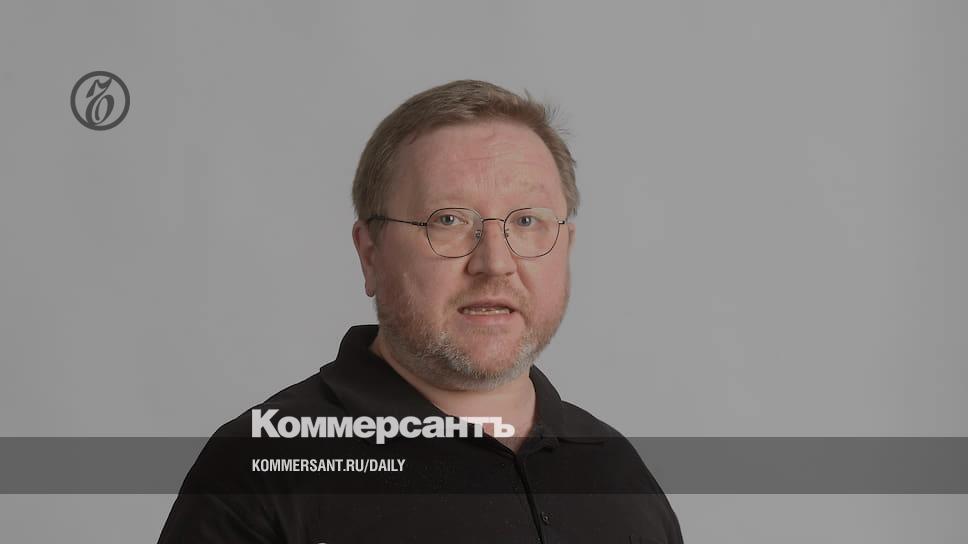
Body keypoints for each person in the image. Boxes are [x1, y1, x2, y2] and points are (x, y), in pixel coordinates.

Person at [158, 80, 683, 543]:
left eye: (527, 222)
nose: (495, 263)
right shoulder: (260, 470)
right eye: (448, 220)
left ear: (566, 246)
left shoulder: (618, 472)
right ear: (371, 254)